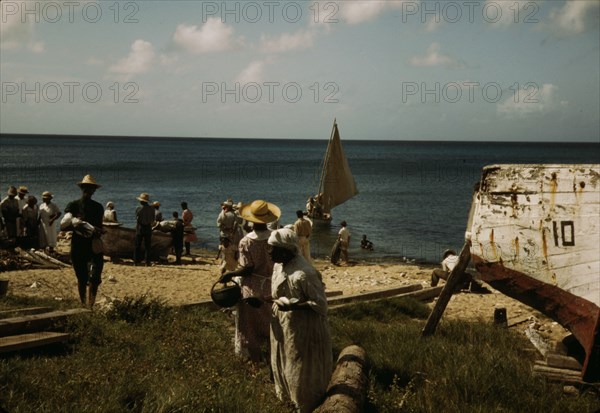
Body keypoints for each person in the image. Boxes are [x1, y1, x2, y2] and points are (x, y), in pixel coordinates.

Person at [268, 228, 333, 413]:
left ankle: (307, 406)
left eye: (271, 248)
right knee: (284, 360)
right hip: (284, 324)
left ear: (285, 250)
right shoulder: (278, 266)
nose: (268, 252)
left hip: (304, 328)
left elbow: (321, 306)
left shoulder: (304, 274)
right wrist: (265, 300)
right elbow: (278, 294)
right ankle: (286, 400)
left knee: (301, 367)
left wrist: (294, 306)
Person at [220, 199, 280, 363]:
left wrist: (230, 275)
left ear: (250, 219)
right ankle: (273, 358)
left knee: (250, 327)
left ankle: (255, 361)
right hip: (272, 284)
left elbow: (247, 268)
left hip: (252, 287)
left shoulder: (246, 241)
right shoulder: (275, 237)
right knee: (271, 324)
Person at [61, 175, 105, 308]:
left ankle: (90, 304)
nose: (89, 191)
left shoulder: (98, 207)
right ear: (82, 189)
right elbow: (64, 226)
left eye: (91, 189)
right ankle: (83, 304)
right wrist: (77, 226)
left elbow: (100, 226)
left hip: (93, 244)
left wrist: (97, 230)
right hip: (78, 245)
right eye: (87, 188)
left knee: (95, 277)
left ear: (94, 190)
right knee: (81, 277)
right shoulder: (73, 206)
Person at [134, 193, 155, 266]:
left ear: (141, 201)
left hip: (140, 227)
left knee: (137, 245)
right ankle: (147, 262)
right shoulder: (152, 209)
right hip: (148, 228)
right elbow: (152, 220)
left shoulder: (138, 208)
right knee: (148, 246)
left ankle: (136, 262)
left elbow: (137, 219)